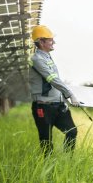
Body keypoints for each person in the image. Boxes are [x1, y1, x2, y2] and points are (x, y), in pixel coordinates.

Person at [28, 25, 81, 155]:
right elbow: (52, 79)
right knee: (46, 141)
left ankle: (67, 161)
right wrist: (70, 94)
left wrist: (64, 99)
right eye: (50, 40)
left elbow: (55, 83)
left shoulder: (47, 57)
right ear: (41, 42)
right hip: (43, 107)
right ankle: (48, 170)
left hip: (58, 105)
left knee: (72, 131)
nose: (53, 42)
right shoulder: (36, 59)